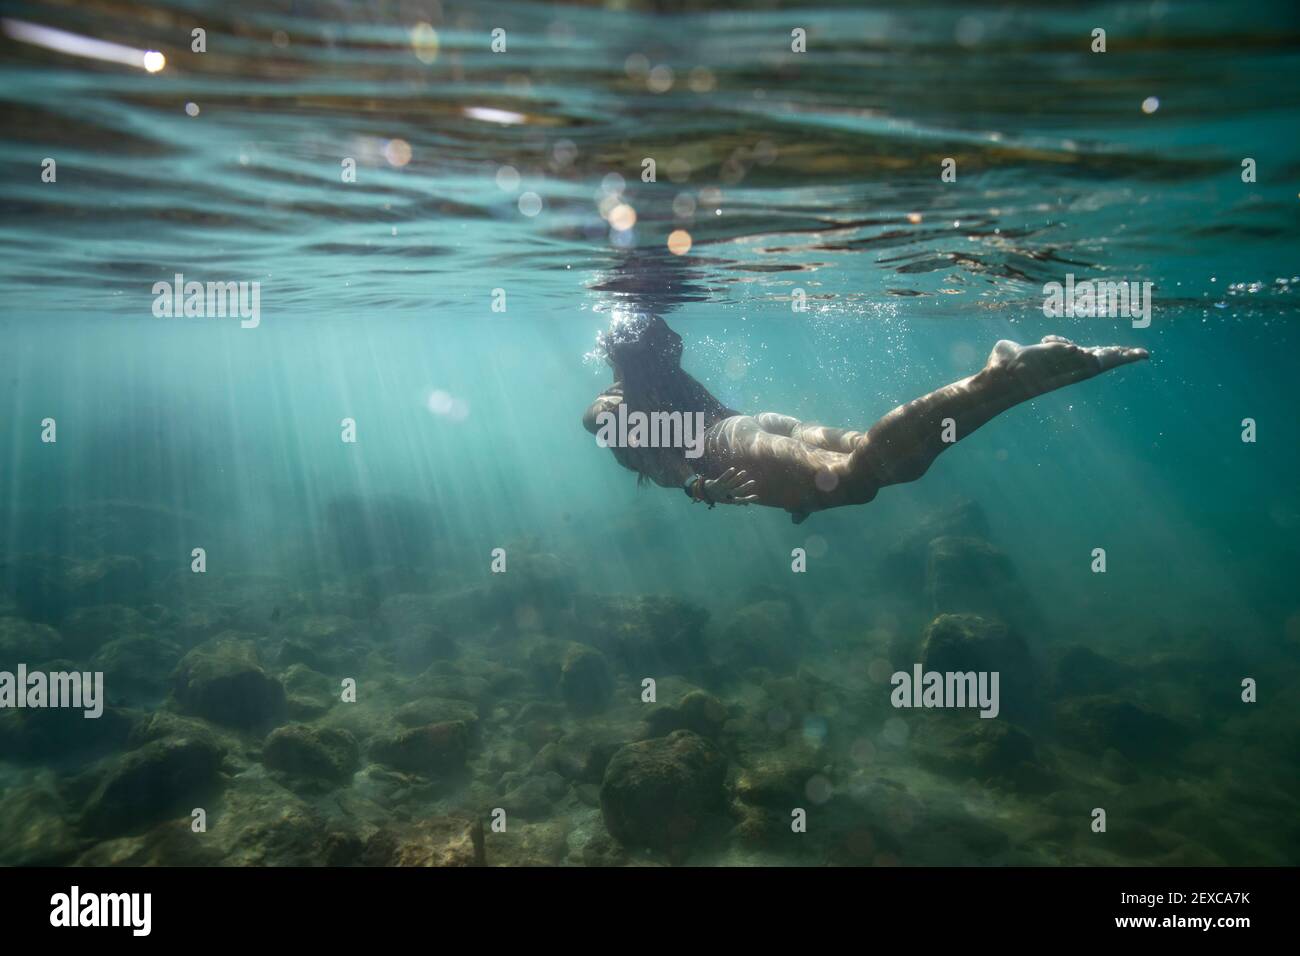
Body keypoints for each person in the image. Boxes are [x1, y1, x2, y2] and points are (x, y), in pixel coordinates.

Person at [584, 313, 1148, 524]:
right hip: (754, 424)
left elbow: (652, 458)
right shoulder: (618, 401)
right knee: (884, 461)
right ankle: (1031, 377)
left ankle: (997, 379)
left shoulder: (608, 407)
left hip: (727, 443)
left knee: (859, 478)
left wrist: (699, 485)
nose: (676, 354)